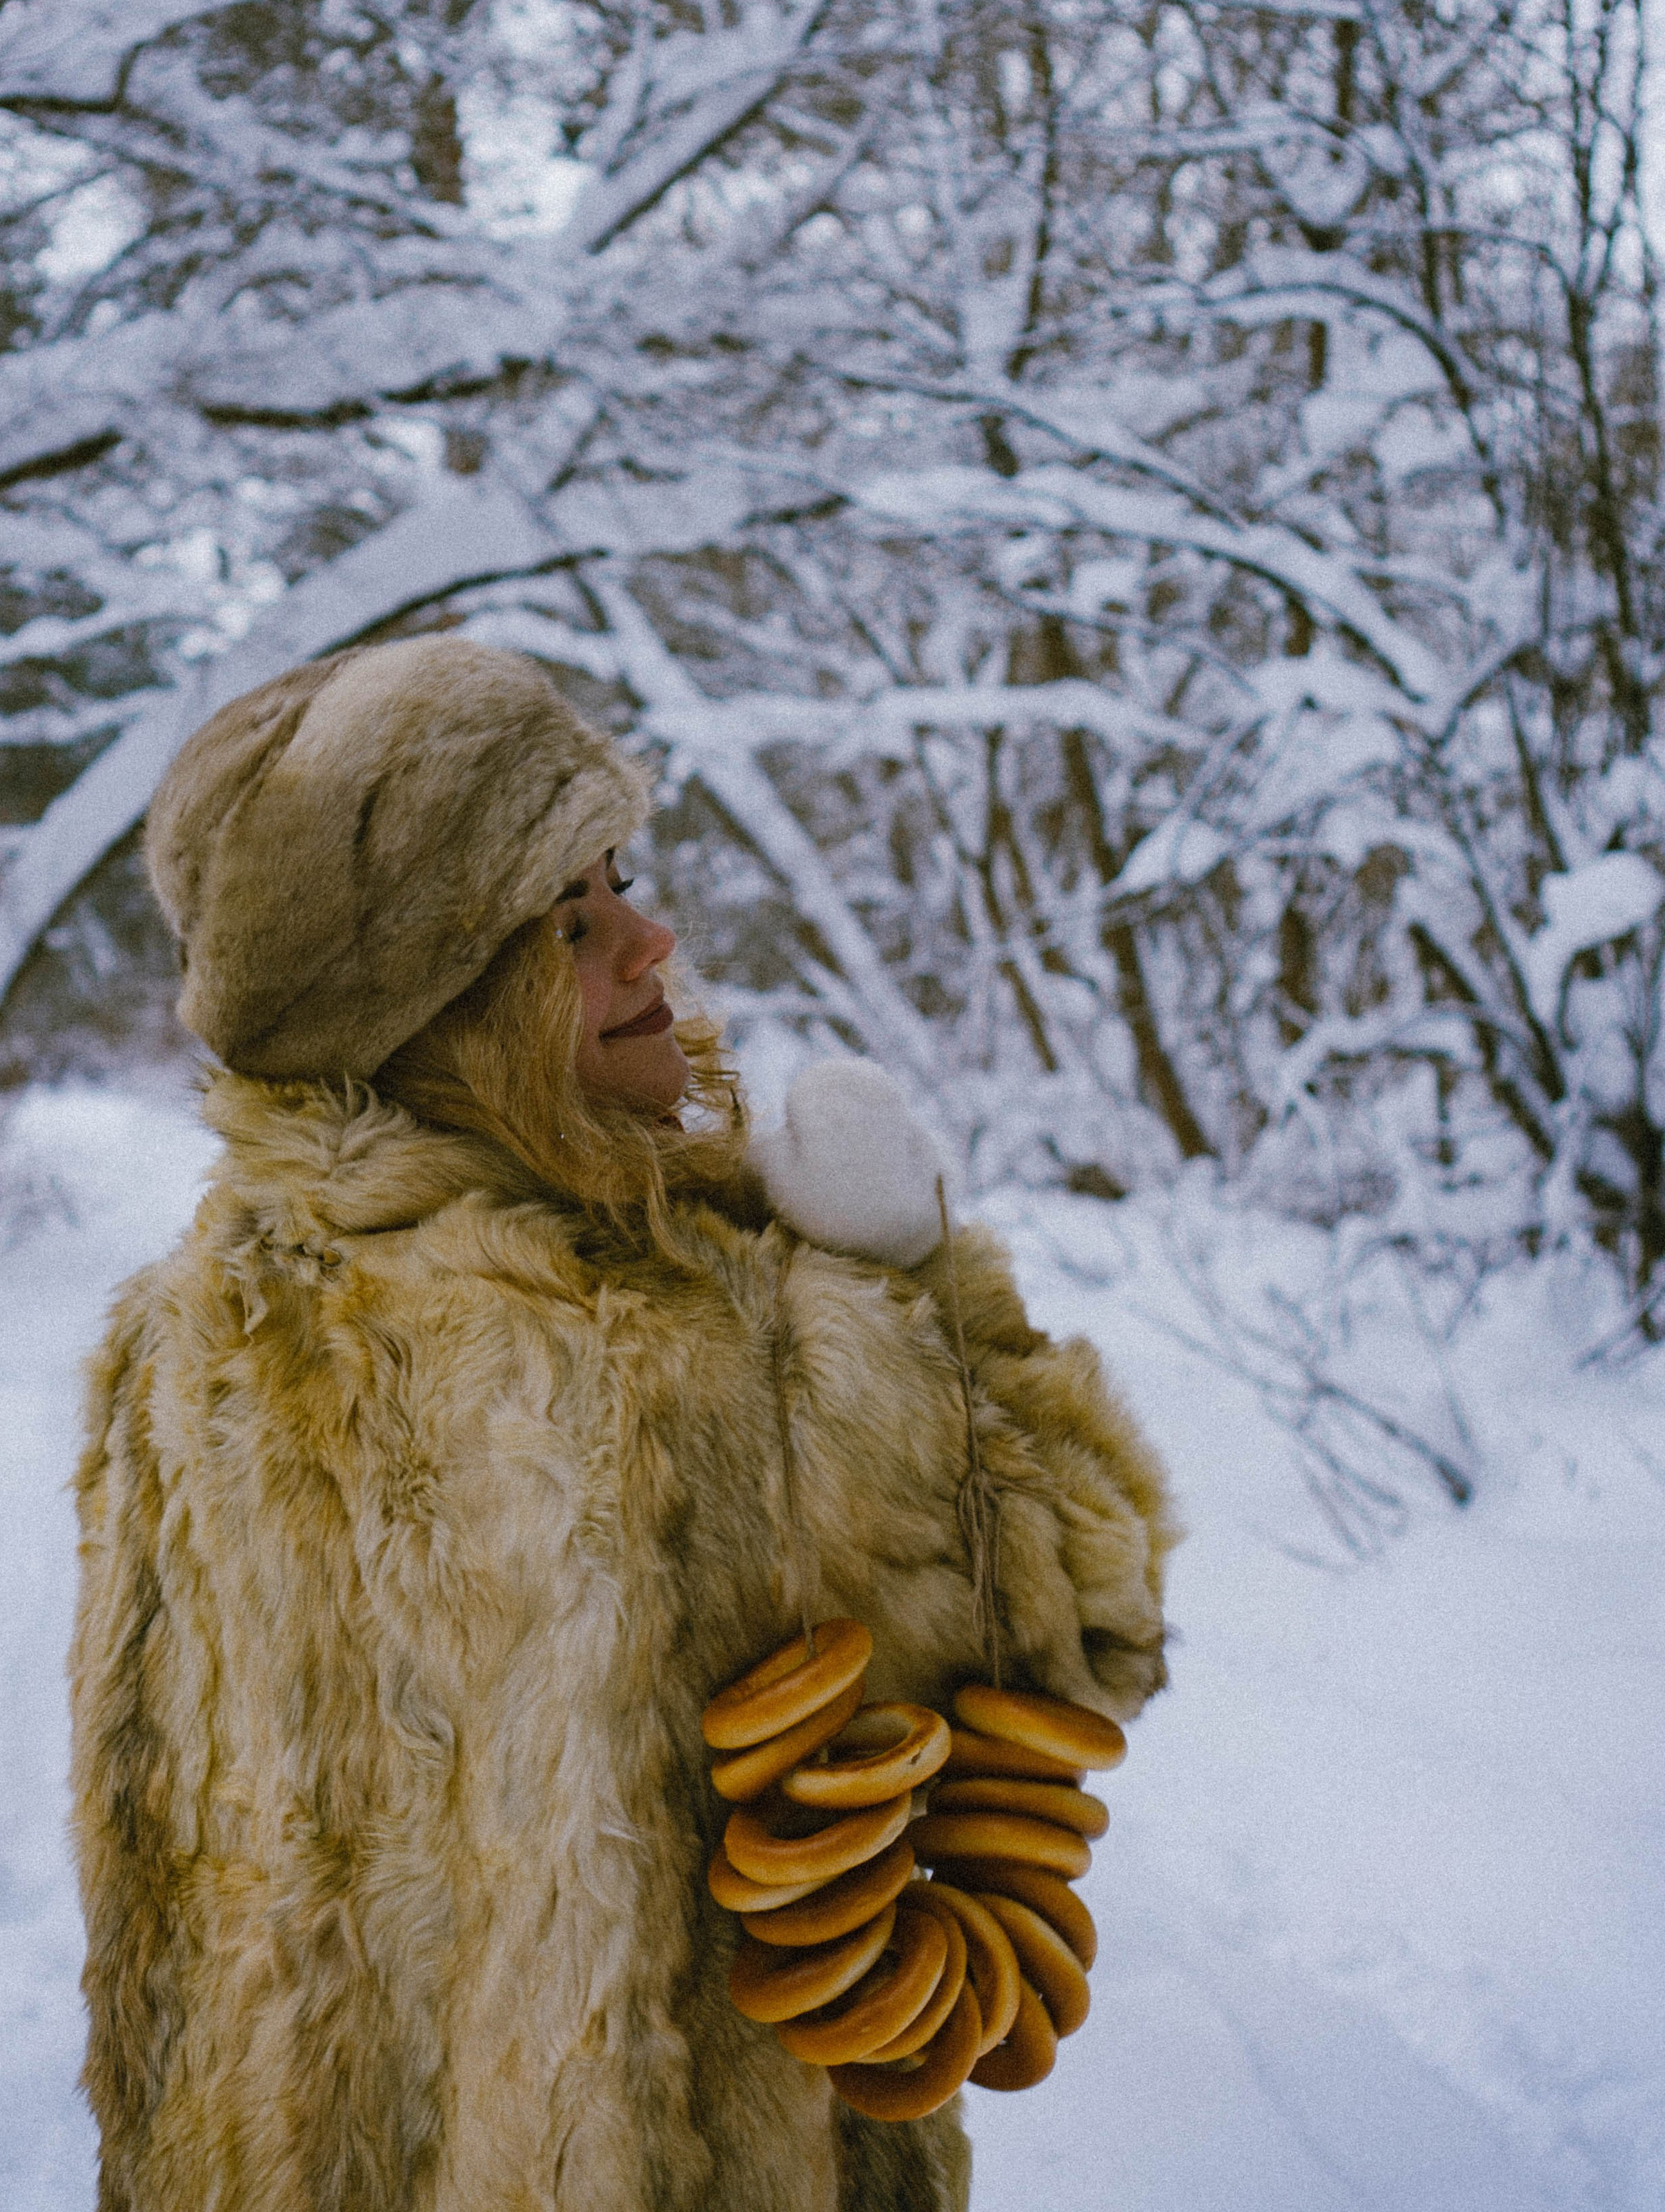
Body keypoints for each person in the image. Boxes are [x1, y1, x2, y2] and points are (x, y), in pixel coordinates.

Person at [69, 635, 1176, 2212]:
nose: (654, 941)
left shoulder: (186, 1341)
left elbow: (156, 1889)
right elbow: (1084, 1631)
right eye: (572, 920)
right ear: (442, 999)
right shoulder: (720, 1342)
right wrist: (925, 1289)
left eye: (623, 881)